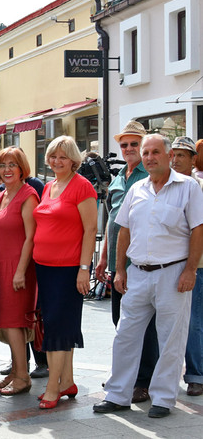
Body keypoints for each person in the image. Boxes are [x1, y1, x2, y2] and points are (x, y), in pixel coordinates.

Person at [94, 134, 203, 418]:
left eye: (156, 152)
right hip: (137, 273)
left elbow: (198, 230)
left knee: (170, 339)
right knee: (125, 336)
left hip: (173, 273)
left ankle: (163, 399)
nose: (150, 157)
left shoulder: (188, 187)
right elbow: (124, 229)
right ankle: (118, 395)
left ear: (169, 156)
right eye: (146, 153)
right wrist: (119, 269)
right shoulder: (137, 189)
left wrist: (190, 270)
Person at [93, 120, 156, 404]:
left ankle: (144, 380)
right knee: (121, 322)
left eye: (134, 144)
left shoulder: (150, 175)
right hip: (118, 265)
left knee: (145, 326)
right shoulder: (119, 179)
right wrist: (104, 257)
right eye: (125, 145)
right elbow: (112, 223)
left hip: (142, 264)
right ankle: (125, 374)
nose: (129, 149)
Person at [33, 135, 97, 410]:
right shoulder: (49, 186)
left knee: (57, 328)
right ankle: (67, 380)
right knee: (58, 324)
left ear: (74, 160)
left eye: (63, 156)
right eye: (52, 156)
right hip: (44, 268)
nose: (57, 161)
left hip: (67, 269)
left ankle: (52, 388)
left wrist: (84, 269)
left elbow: (91, 230)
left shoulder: (82, 187)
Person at [0, 147, 39, 396]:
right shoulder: (0, 195)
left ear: (22, 168)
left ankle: (23, 377)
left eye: (12, 164)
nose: (7, 169)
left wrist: (20, 271)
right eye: (3, 165)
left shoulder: (28, 195)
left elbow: (30, 237)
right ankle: (17, 372)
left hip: (17, 268)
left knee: (14, 324)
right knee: (6, 324)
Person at [169, 136, 203, 397]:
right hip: (166, 263)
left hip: (197, 265)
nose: (176, 159)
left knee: (194, 321)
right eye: (174, 154)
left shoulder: (198, 185)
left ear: (194, 160)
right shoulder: (162, 184)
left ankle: (195, 374)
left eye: (183, 155)